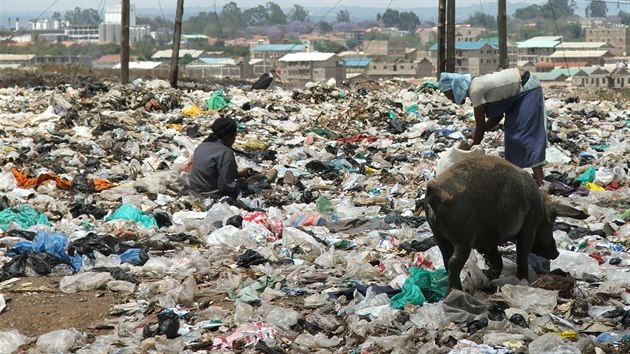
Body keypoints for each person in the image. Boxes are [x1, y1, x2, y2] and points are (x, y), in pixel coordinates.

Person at [438, 68, 547, 186]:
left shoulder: (475, 90)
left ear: (455, 88)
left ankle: (541, 183)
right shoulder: (475, 88)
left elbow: (480, 125)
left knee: (524, 135)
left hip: (527, 86)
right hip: (517, 94)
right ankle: (518, 181)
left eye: (448, 94)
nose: (449, 98)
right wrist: (477, 134)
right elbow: (497, 116)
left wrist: (472, 149)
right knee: (512, 136)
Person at [189, 117, 248, 198]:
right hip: (210, 194)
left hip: (193, 191)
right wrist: (239, 185)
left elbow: (212, 172)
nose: (234, 140)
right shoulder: (225, 152)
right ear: (228, 136)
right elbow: (225, 186)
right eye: (234, 136)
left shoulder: (201, 146)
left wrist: (237, 174)